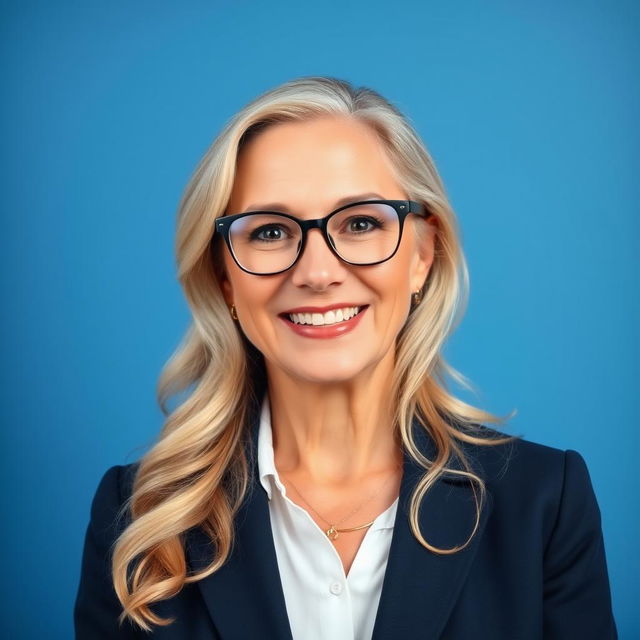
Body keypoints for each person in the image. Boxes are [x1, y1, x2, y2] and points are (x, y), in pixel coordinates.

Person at [74, 76, 617, 639]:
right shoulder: (140, 517)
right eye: (269, 232)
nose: (316, 273)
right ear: (225, 278)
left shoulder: (544, 503)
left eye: (360, 223)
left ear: (422, 255)